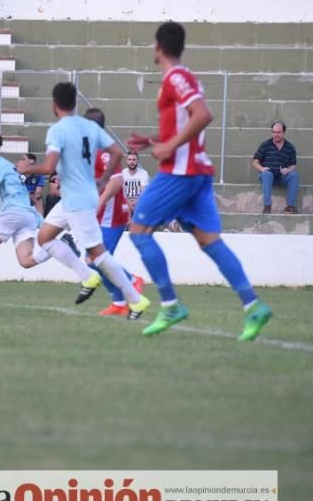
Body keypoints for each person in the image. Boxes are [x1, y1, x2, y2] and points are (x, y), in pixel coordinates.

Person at [127, 21, 272, 341]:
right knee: (210, 241)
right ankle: (254, 305)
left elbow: (202, 115)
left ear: (158, 47)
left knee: (139, 232)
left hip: (181, 172)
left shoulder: (176, 77)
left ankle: (170, 303)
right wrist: (154, 140)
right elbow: (186, 123)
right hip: (196, 171)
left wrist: (168, 147)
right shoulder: (185, 77)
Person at [17, 82, 150, 317]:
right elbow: (118, 152)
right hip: (72, 198)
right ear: (75, 104)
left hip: (78, 201)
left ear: (54, 105)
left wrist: (27, 169)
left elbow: (48, 167)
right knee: (45, 236)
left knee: (97, 255)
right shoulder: (88, 127)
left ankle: (135, 299)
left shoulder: (58, 130)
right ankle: (89, 277)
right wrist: (102, 180)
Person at [0, 131, 94, 304]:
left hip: (13, 213)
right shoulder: (7, 164)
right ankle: (61, 244)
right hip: (27, 214)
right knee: (26, 261)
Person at [84, 108, 146, 318]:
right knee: (92, 260)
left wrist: (99, 204)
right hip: (103, 216)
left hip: (112, 216)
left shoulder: (105, 150)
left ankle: (131, 280)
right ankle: (119, 302)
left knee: (96, 260)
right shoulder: (92, 149)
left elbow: (117, 182)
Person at [252, 122, 299, 214]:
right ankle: (267, 206)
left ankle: (290, 207)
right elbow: (254, 162)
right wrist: (262, 169)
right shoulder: (265, 145)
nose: (276, 134)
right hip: (267, 177)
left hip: (282, 177)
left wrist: (288, 170)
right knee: (267, 174)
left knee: (294, 175)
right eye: (274, 132)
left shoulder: (290, 147)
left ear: (284, 132)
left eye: (278, 132)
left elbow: (293, 165)